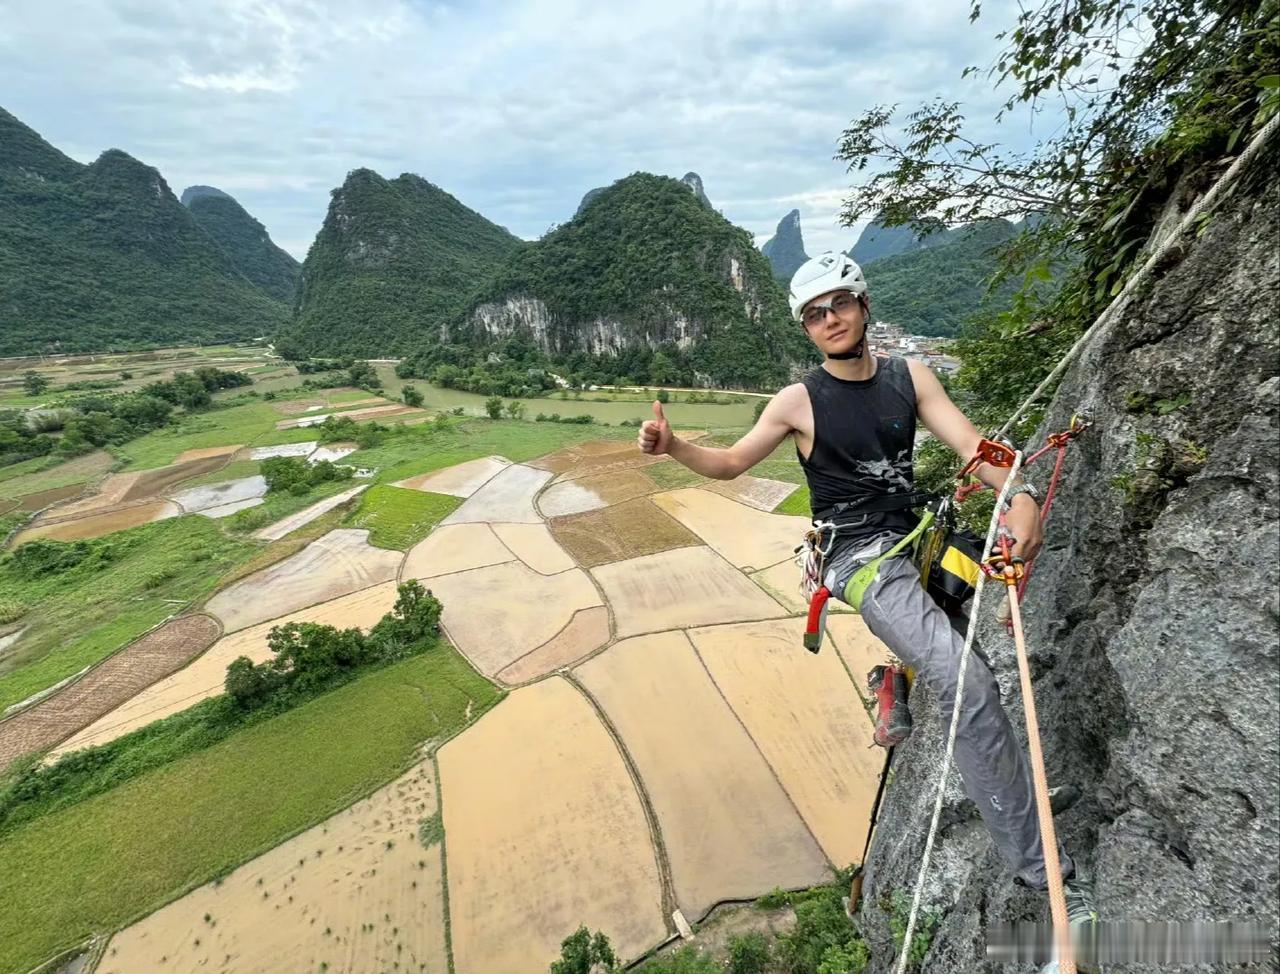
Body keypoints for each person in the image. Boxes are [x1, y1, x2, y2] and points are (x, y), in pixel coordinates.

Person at [637, 251, 1097, 945]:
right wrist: (673, 446)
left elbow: (975, 448)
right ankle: (1041, 873)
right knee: (970, 681)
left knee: (966, 604)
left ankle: (892, 679)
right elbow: (732, 463)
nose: (830, 320)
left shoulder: (910, 378)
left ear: (862, 305)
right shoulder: (798, 402)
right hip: (858, 560)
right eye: (815, 314)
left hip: (918, 533)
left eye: (839, 304)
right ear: (805, 327)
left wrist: (1023, 496)